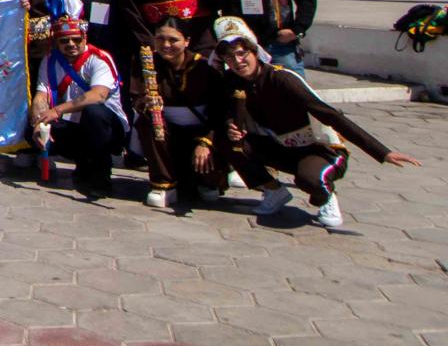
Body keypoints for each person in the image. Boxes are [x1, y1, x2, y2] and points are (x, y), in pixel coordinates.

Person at [216, 18, 421, 228]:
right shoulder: (233, 82)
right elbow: (228, 111)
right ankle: (273, 191)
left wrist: (381, 152)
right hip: (281, 146)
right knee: (225, 140)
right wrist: (231, 126)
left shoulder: (282, 79)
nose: (238, 61)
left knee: (308, 180)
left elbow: (330, 115)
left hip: (319, 149)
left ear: (254, 52)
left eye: (242, 53)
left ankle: (326, 196)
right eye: (230, 57)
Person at [32, 12, 127, 198]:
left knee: (94, 112)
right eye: (64, 41)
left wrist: (57, 110)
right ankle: (82, 162)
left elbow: (98, 95)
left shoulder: (99, 59)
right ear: (57, 43)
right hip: (74, 125)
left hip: (108, 128)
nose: (71, 45)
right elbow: (40, 95)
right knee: (33, 127)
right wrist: (38, 121)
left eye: (76, 39)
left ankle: (101, 175)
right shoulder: (50, 60)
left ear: (84, 38)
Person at [138, 20, 226, 210]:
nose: (166, 45)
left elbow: (219, 111)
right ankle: (164, 183)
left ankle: (207, 180)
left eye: (173, 40)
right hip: (168, 133)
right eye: (160, 39)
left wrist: (205, 142)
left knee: (205, 189)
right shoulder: (146, 62)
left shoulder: (205, 68)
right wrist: (146, 102)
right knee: (147, 119)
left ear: (187, 41)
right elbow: (135, 98)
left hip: (200, 132)